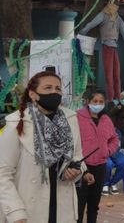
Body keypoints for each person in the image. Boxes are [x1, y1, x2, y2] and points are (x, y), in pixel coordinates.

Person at [0, 71, 93, 223]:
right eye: (48, 88)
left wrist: (76, 170)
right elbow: (2, 174)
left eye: (58, 88)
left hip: (62, 208)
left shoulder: (70, 119)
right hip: (28, 210)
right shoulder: (16, 123)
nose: (54, 92)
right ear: (33, 94)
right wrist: (16, 213)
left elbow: (78, 156)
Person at [79, 0, 124, 103]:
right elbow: (92, 24)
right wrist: (83, 31)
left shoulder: (116, 17)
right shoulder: (103, 14)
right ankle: (112, 98)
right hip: (107, 47)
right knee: (110, 75)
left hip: (113, 47)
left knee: (115, 75)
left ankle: (117, 98)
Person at [76, 90, 120, 223]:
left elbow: (114, 138)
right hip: (82, 167)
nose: (98, 104)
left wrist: (107, 151)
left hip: (100, 166)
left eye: (101, 102)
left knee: (94, 205)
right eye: (95, 101)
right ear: (88, 102)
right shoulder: (78, 117)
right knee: (79, 204)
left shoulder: (106, 120)